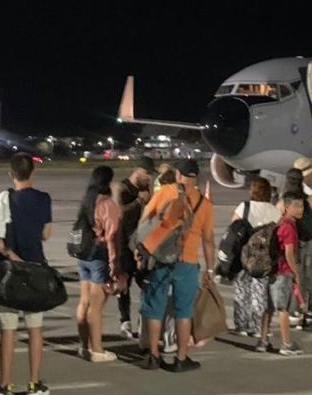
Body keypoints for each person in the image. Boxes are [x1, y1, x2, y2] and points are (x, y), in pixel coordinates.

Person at [0, 153, 53, 395]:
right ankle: (34, 384)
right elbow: (46, 234)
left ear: (11, 174)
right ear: (33, 172)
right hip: (36, 270)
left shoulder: (0, 200)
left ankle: (5, 386)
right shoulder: (44, 199)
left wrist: (11, 254)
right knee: (35, 328)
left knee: (8, 330)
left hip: (9, 271)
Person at [137, 159, 214, 372]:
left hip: (162, 258)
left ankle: (153, 355)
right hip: (188, 262)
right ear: (195, 177)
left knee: (154, 309)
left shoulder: (165, 193)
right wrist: (210, 268)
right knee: (183, 311)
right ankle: (181, 357)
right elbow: (208, 240)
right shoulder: (204, 204)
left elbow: (146, 220)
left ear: (179, 175)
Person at [74, 166, 122, 363]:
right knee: (96, 305)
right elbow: (112, 235)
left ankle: (84, 345)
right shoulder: (107, 203)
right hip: (99, 255)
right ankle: (97, 349)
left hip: (83, 255)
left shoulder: (88, 200)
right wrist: (115, 264)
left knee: (84, 301)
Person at [280, 159, 312, 330]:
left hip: (297, 241)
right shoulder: (308, 195)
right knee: (310, 275)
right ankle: (310, 312)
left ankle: (297, 311)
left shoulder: (284, 198)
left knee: (296, 275)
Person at [232, 177, 277, 340]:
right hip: (264, 258)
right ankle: (259, 327)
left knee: (241, 289)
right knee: (260, 292)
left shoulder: (244, 207)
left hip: (245, 255)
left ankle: (241, 325)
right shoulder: (274, 210)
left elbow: (233, 228)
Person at [115, 156, 155, 339]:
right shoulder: (122, 188)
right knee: (124, 284)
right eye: (147, 174)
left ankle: (143, 322)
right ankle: (125, 321)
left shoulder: (147, 189)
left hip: (140, 243)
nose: (149, 178)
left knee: (145, 282)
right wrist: (138, 202)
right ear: (138, 170)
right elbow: (117, 213)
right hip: (122, 243)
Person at [264, 192, 305, 355]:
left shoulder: (281, 222)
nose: (300, 209)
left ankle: (263, 340)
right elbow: (289, 253)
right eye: (297, 206)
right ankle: (286, 344)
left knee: (269, 308)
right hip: (283, 271)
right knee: (283, 309)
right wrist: (295, 272)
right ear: (287, 208)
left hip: (274, 270)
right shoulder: (288, 227)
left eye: (302, 206)